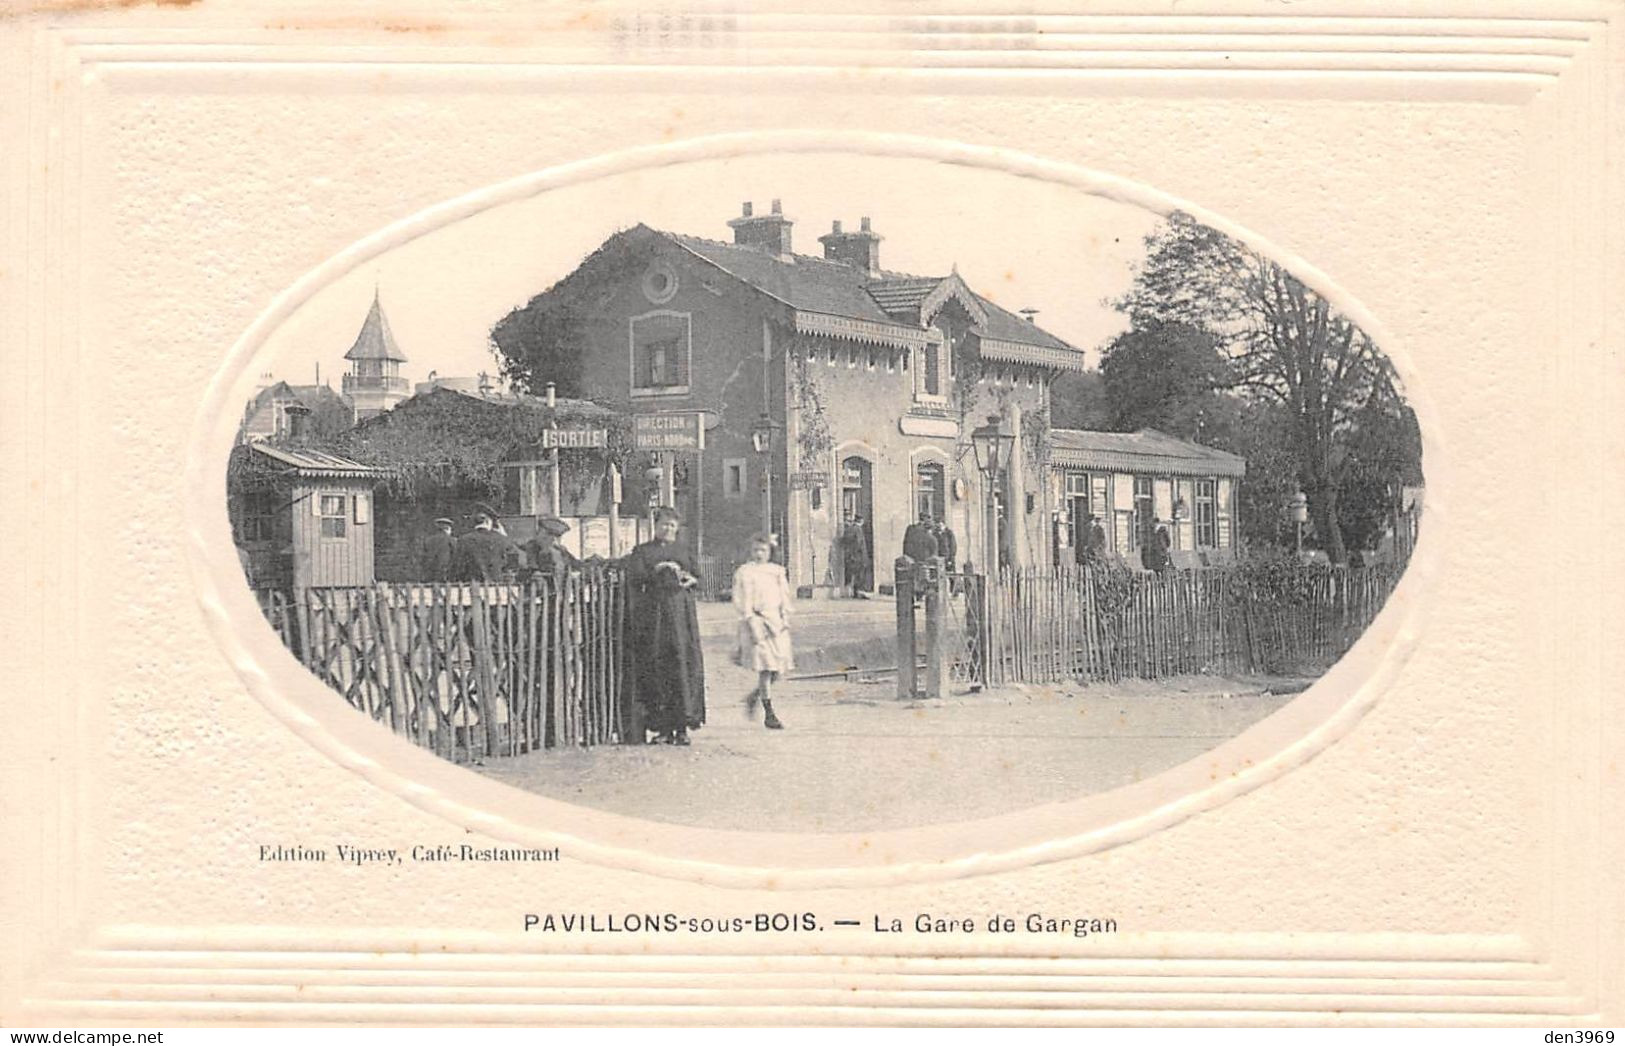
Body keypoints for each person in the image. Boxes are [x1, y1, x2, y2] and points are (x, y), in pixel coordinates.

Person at [623, 507, 706, 745]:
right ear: (655, 526)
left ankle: (682, 728)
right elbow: (635, 578)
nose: (667, 529)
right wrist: (656, 571)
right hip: (655, 617)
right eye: (663, 525)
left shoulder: (683, 551)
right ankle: (662, 728)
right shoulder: (643, 552)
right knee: (658, 666)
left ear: (677, 528)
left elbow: (697, 577)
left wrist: (690, 579)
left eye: (671, 525)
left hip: (681, 617)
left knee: (682, 665)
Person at [732, 534, 794, 731]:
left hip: (776, 621)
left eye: (763, 550)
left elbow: (784, 596)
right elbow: (741, 599)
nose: (759, 554)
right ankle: (769, 714)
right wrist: (750, 620)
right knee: (766, 668)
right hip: (756, 621)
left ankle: (754, 696)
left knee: (780, 668)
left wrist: (785, 617)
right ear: (750, 552)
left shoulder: (776, 572)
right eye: (755, 550)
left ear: (769, 552)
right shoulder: (745, 572)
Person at [453, 503, 517, 582]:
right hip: (497, 588)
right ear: (488, 521)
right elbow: (512, 565)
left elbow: (458, 568)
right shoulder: (502, 540)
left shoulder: (463, 540)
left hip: (472, 588)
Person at [840, 515, 871, 598]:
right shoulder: (858, 530)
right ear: (861, 521)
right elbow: (859, 543)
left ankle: (849, 592)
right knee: (860, 575)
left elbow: (844, 541)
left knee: (850, 574)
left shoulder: (849, 529)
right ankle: (858, 592)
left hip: (850, 556)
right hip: (858, 556)